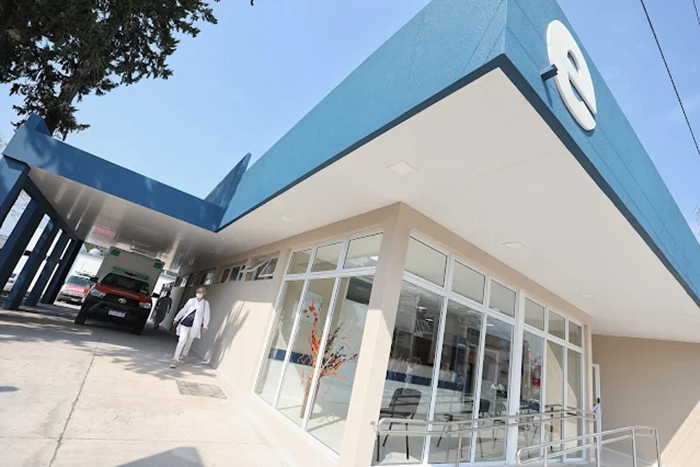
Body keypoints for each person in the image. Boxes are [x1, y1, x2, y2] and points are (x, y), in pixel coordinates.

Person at [171, 287, 210, 368]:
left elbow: (206, 314)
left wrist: (205, 325)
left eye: (201, 292)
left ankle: (184, 355)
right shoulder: (191, 300)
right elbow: (184, 310)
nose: (199, 293)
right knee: (182, 340)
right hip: (186, 322)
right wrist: (176, 318)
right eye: (198, 291)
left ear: (204, 293)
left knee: (189, 341)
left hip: (195, 325)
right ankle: (175, 359)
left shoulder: (205, 304)